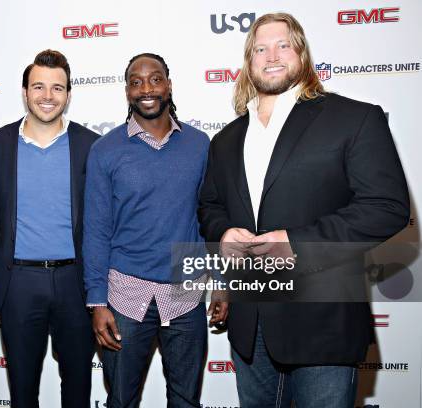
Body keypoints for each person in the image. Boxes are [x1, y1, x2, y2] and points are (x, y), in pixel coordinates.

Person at [198, 13, 410, 407]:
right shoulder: (225, 139)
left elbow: (387, 207)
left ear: (302, 54)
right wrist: (223, 233)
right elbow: (210, 205)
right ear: (249, 61)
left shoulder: (354, 118)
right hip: (250, 328)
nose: (272, 56)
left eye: (283, 45)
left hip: (322, 324)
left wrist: (296, 242)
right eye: (260, 48)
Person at [83, 53, 227, 408]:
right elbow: (97, 229)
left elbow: (210, 219)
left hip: (185, 293)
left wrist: (223, 283)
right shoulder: (105, 151)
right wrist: (97, 301)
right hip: (125, 296)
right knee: (121, 400)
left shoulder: (200, 145)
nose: (146, 88)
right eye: (135, 81)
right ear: (127, 91)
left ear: (169, 84)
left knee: (185, 400)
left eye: (155, 79)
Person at [0, 49, 98, 408]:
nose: (47, 96)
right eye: (38, 87)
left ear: (68, 94)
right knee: (22, 391)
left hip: (75, 282)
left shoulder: (91, 146)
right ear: (24, 91)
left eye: (57, 88)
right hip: (19, 281)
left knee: (78, 389)